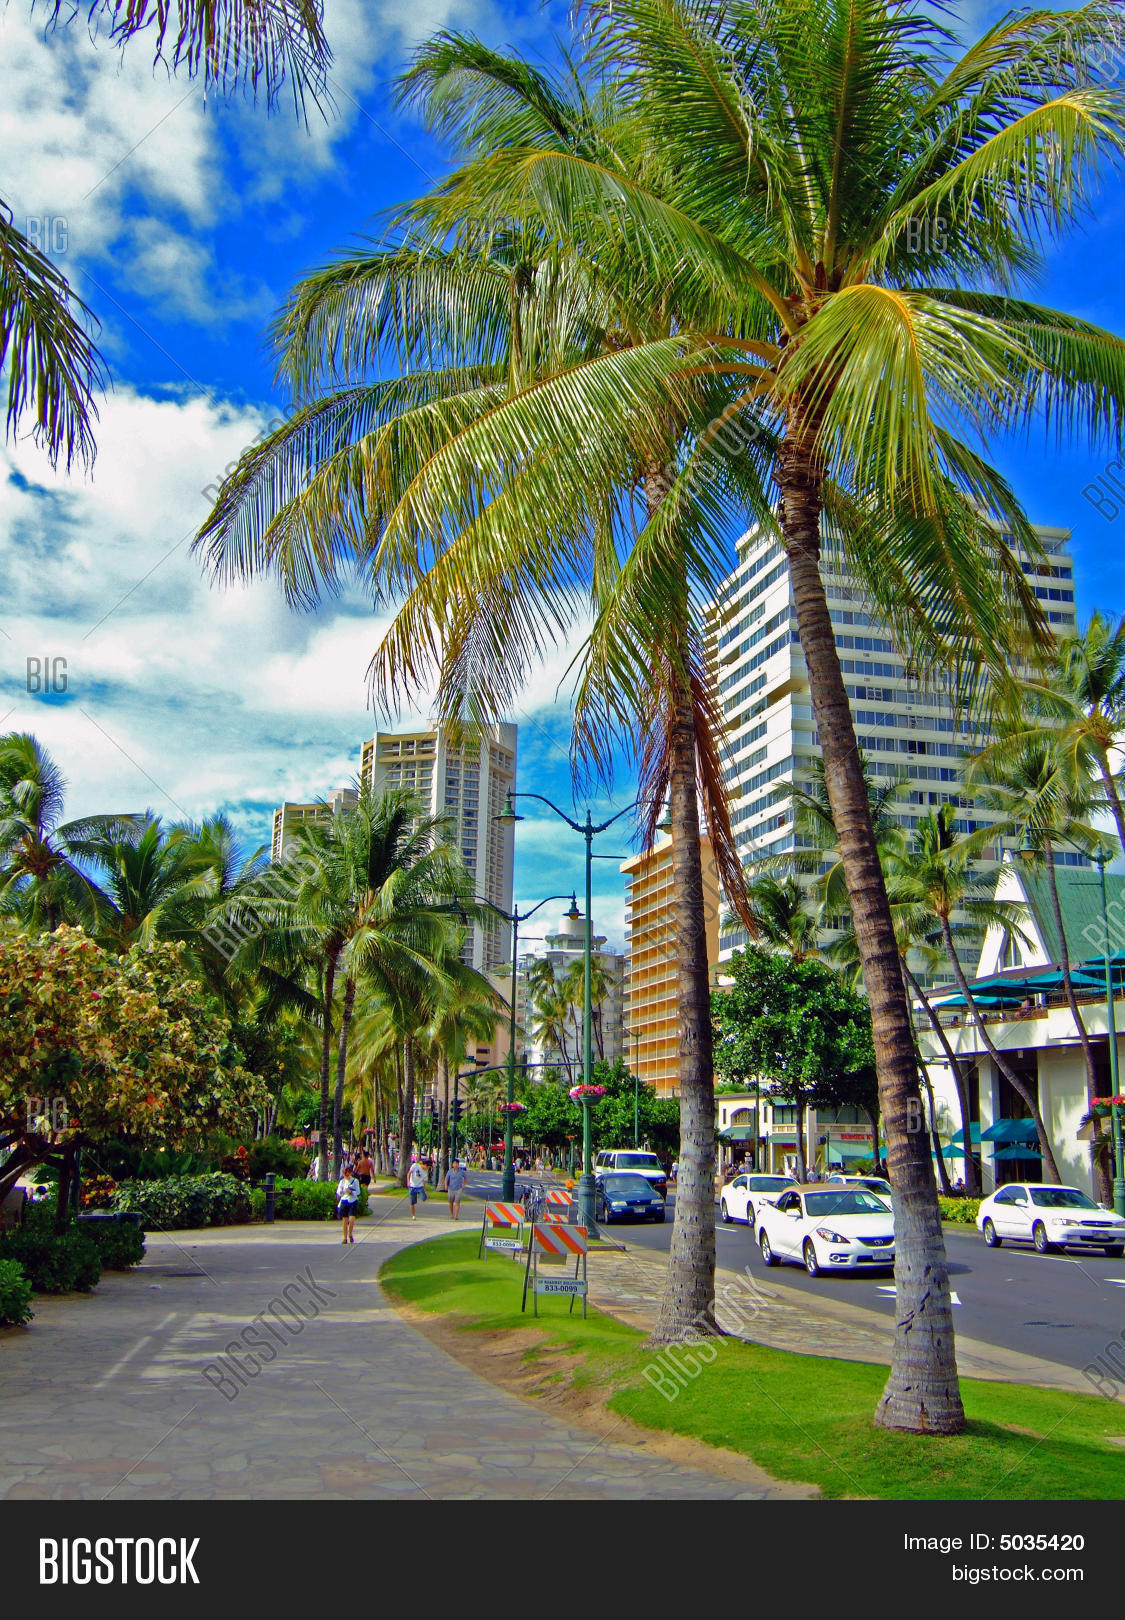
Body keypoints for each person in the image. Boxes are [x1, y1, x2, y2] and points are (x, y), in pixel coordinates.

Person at [336, 1163, 360, 1244]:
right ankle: (345, 1238)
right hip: (344, 1201)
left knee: (351, 1219)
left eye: (347, 1174)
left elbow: (358, 1192)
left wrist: (351, 1192)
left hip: (353, 1201)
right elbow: (339, 1193)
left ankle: (350, 1234)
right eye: (344, 1174)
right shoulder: (342, 1182)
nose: (346, 1176)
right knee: (345, 1221)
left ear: (350, 1173)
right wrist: (342, 1191)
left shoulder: (355, 1181)